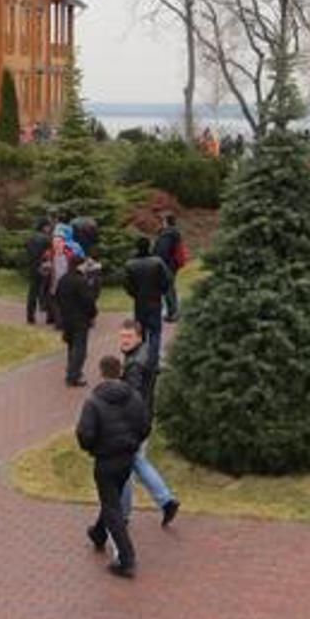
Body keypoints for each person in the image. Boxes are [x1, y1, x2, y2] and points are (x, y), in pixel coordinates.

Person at [76, 355, 150, 579]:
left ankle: (126, 558)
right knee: (112, 498)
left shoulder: (93, 402)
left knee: (112, 507)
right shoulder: (134, 397)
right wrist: (133, 443)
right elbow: (145, 426)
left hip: (105, 460)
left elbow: (85, 435)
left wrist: (94, 448)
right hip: (127, 458)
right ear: (120, 372)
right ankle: (98, 533)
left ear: (101, 372)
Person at [118, 319, 179, 528]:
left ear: (138, 337)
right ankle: (166, 500)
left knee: (126, 465)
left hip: (134, 422)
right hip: (145, 417)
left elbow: (132, 396)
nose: (124, 340)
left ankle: (123, 513)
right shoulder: (146, 353)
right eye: (122, 336)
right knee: (137, 461)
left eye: (128, 336)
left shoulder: (134, 364)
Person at [123, 236, 171, 372]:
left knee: (141, 333)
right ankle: (153, 363)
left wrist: (135, 295)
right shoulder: (158, 262)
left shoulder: (130, 264)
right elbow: (166, 280)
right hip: (155, 301)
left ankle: (141, 360)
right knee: (155, 332)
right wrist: (160, 291)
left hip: (140, 303)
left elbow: (127, 284)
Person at [56, 257, 100, 387]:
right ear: (79, 266)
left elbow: (57, 297)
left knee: (71, 346)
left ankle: (72, 369)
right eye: (84, 265)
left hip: (66, 318)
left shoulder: (63, 279)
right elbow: (88, 301)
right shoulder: (81, 281)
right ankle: (73, 375)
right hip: (80, 319)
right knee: (80, 348)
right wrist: (93, 314)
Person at [151, 213, 185, 324]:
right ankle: (172, 312)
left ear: (166, 222)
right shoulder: (173, 233)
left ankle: (173, 313)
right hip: (172, 264)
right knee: (169, 287)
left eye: (163, 221)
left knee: (168, 288)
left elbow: (163, 251)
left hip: (167, 264)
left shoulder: (167, 234)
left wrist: (158, 262)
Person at [24, 219, 53, 325]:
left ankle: (30, 316)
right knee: (46, 290)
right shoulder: (47, 239)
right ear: (44, 227)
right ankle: (49, 317)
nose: (49, 229)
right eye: (48, 227)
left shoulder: (30, 238)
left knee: (32, 291)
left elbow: (27, 250)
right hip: (43, 267)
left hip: (32, 267)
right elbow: (49, 253)